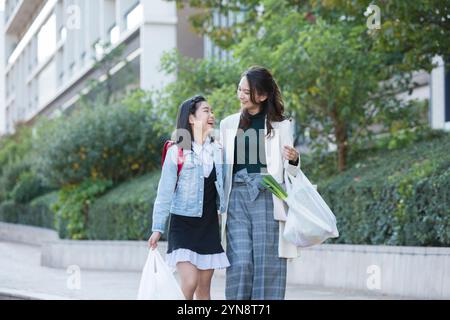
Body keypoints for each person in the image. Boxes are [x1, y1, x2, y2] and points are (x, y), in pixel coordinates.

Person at [219, 66, 301, 300]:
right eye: (240, 90)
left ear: (263, 95)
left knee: (267, 262)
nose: (241, 95)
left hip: (268, 196)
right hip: (237, 197)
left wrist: (295, 160)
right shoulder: (228, 124)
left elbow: (290, 172)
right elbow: (221, 164)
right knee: (241, 260)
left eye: (247, 91)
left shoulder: (281, 125)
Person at [149, 95, 230, 300]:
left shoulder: (218, 150)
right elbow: (164, 192)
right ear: (191, 119)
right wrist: (157, 228)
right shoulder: (177, 151)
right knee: (189, 282)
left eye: (212, 111)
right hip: (183, 225)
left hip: (209, 226)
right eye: (206, 111)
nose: (211, 115)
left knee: (204, 290)